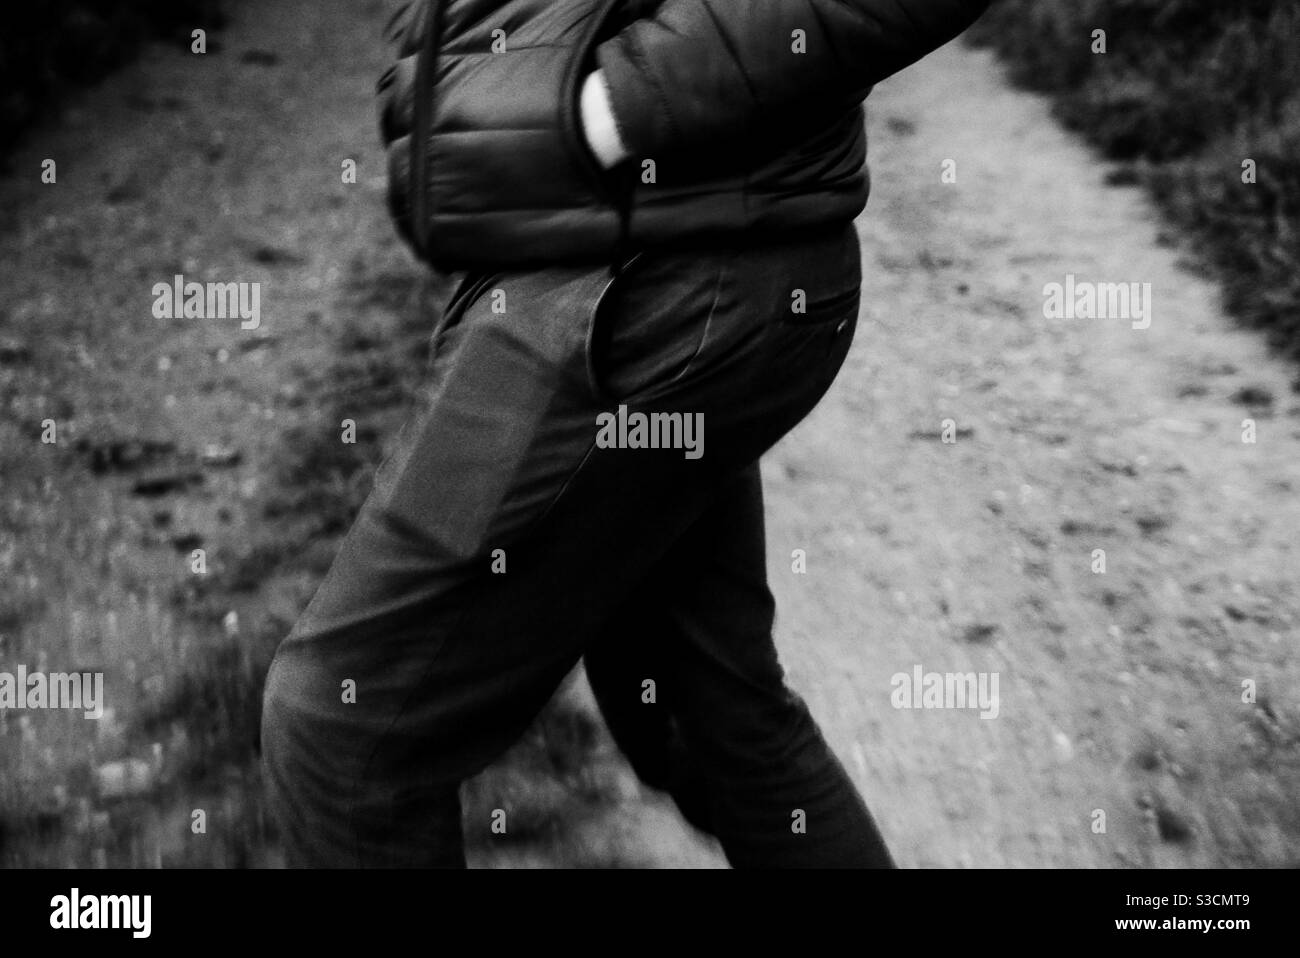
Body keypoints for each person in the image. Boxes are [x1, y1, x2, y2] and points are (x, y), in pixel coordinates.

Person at [261, 0, 991, 867]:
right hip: (614, 273)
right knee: (706, 711)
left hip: (639, 293)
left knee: (341, 726)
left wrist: (609, 110)